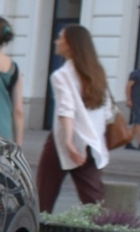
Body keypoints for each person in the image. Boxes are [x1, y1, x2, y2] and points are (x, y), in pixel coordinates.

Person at [37, 24, 114, 212]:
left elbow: (66, 109)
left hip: (63, 139)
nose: (56, 41)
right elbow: (107, 111)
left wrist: (69, 142)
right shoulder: (97, 72)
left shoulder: (61, 75)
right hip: (92, 141)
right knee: (93, 198)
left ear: (70, 45)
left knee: (43, 195)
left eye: (60, 38)